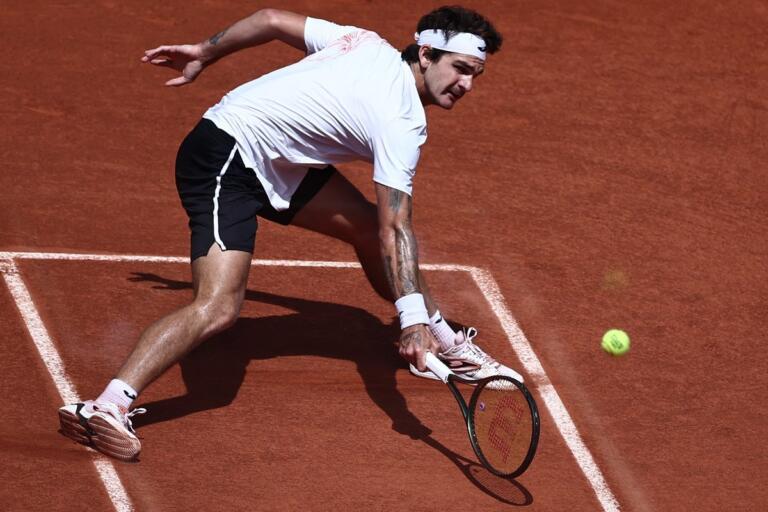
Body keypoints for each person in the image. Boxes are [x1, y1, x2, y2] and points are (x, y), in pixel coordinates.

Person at [58, 6, 523, 462]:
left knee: (362, 226)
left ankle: (442, 336)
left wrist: (205, 51)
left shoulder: (363, 41)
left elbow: (270, 20)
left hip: (282, 163)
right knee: (219, 308)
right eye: (461, 69)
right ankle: (105, 406)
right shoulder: (401, 122)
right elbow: (396, 226)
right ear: (425, 54)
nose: (466, 85)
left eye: (476, 75)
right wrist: (410, 321)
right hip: (226, 157)